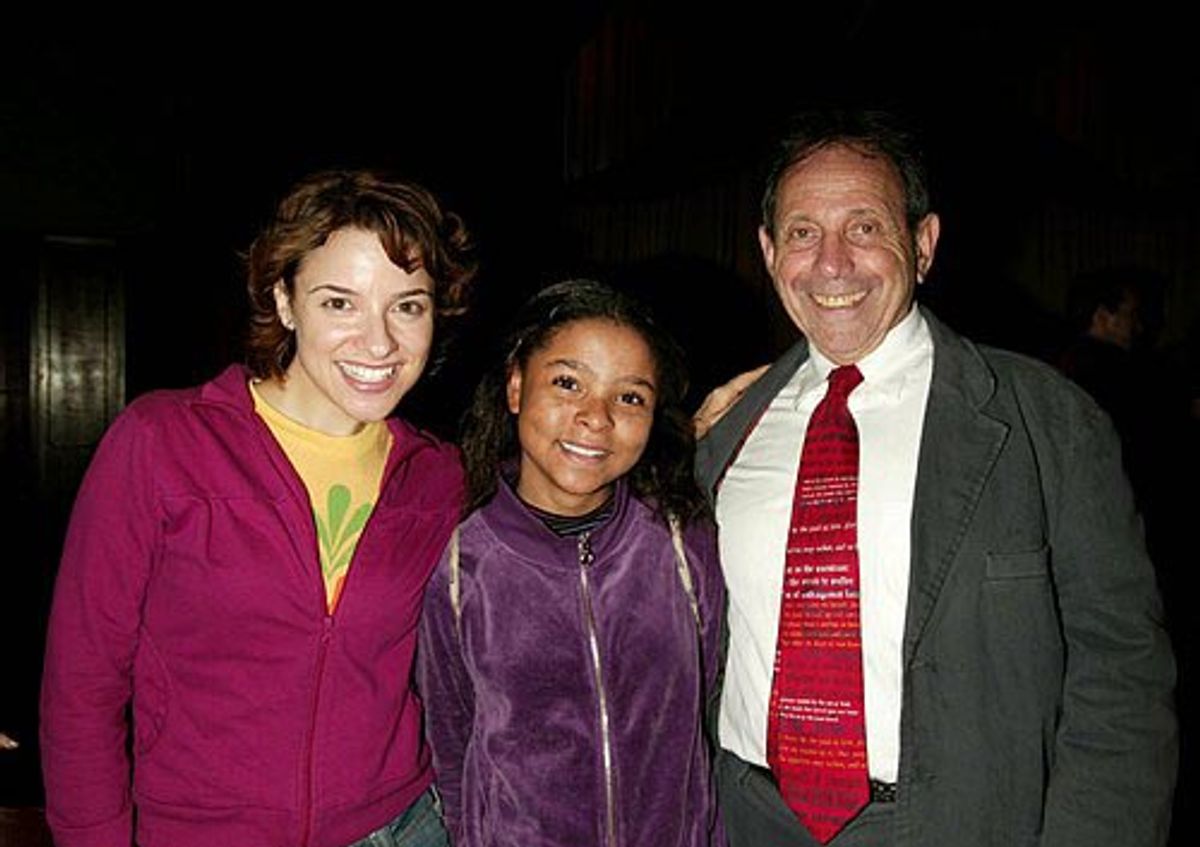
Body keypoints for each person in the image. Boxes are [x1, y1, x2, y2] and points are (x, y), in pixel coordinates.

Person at [696, 111, 1177, 847]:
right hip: (746, 817)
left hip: (955, 823)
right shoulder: (726, 432)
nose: (832, 263)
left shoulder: (1048, 420)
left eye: (864, 227)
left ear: (922, 244)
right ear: (768, 251)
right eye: (802, 232)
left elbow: (1121, 674)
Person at [40, 170, 476, 847]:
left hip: (401, 826)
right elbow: (81, 683)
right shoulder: (162, 443)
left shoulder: (438, 476)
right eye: (340, 302)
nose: (380, 342)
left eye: (408, 306)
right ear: (284, 300)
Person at [418, 280, 726, 847]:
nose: (596, 417)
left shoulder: (684, 543)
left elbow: (711, 714)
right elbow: (450, 743)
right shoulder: (459, 564)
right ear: (516, 386)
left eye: (629, 397)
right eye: (567, 383)